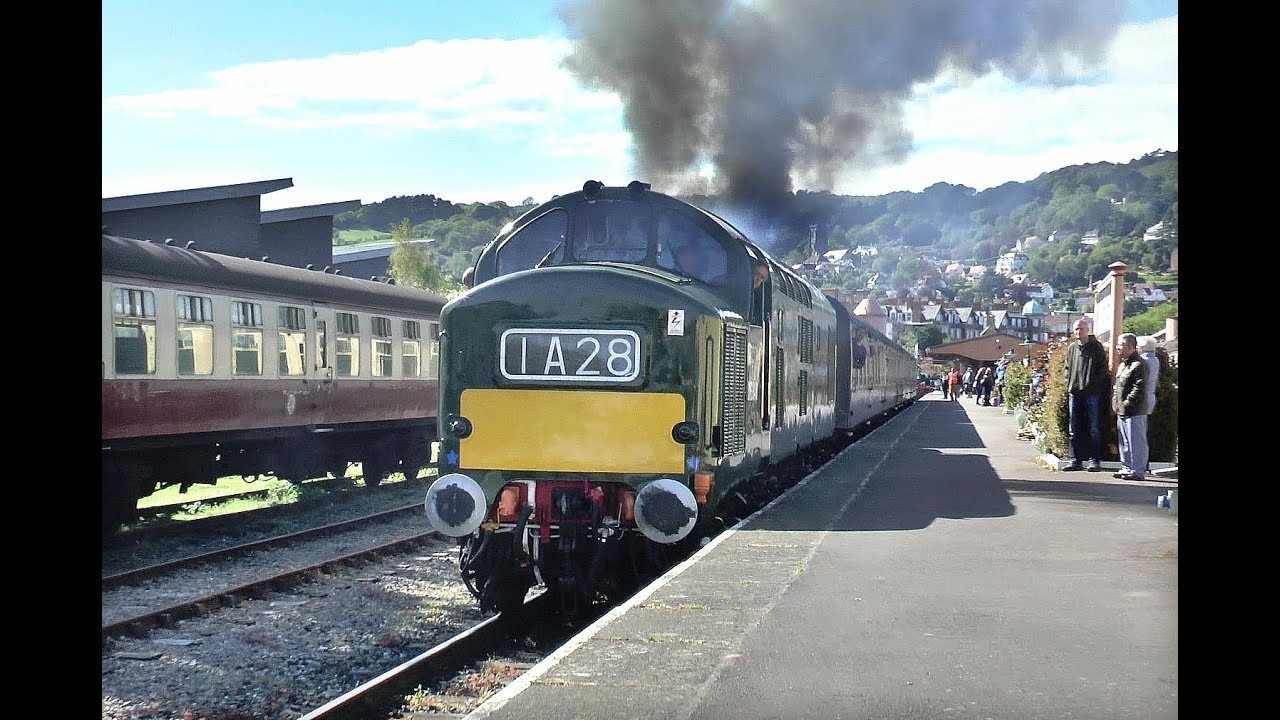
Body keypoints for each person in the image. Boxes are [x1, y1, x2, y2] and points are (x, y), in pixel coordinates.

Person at [1062, 318, 1109, 472]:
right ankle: (1075, 459)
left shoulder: (1096, 347)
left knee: (1093, 428)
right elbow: (1067, 368)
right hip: (1075, 393)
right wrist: (1068, 384)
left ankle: (1094, 460)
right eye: (1076, 329)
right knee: (1074, 428)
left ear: (1087, 330)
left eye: (1081, 328)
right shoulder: (1072, 348)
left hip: (1092, 394)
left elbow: (1103, 369)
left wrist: (1093, 385)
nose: (1078, 332)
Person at [1111, 333, 1149, 480]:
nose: (1117, 348)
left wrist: (1127, 403)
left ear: (1130, 347)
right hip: (1122, 410)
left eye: (1121, 345)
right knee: (1124, 441)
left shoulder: (1139, 365)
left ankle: (1138, 471)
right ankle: (1127, 467)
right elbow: (1117, 387)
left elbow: (1139, 388)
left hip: (1135, 410)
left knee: (1136, 442)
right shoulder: (1123, 365)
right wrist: (1116, 404)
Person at [1131, 335, 1161, 477]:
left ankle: (1139, 466)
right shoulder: (1155, 360)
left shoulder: (1144, 361)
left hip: (1142, 400)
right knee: (1141, 431)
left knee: (1138, 434)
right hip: (1150, 398)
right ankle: (1141, 465)